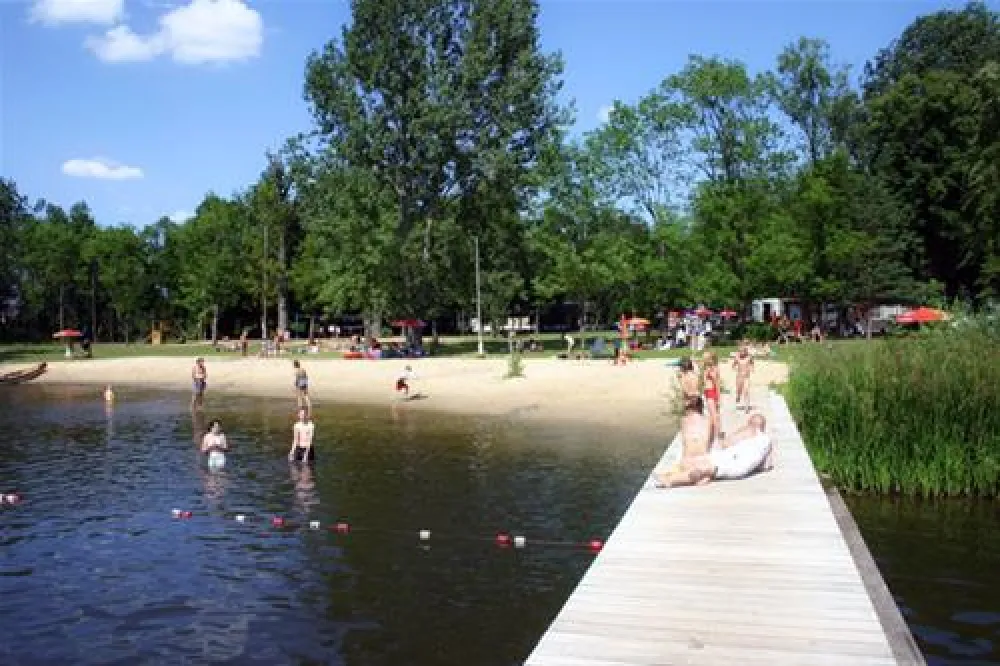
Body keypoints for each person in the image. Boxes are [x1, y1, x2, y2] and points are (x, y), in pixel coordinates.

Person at [654, 412, 772, 489]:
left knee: (702, 465)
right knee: (707, 468)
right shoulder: (766, 440)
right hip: (740, 468)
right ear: (763, 426)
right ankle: (702, 478)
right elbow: (766, 466)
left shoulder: (751, 430)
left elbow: (725, 443)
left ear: (751, 423)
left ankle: (671, 480)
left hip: (733, 461)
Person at [701, 352, 721, 447]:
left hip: (711, 392)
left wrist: (718, 397)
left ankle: (716, 438)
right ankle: (714, 436)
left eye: (706, 358)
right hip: (708, 392)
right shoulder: (707, 368)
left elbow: (717, 383)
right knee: (713, 415)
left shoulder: (713, 369)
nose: (704, 360)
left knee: (713, 416)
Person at [731, 345, 754, 410]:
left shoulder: (749, 357)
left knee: (746, 390)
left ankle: (746, 406)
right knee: (739, 390)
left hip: (746, 377)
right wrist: (735, 369)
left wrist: (752, 368)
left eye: (743, 351)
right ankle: (738, 396)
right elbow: (733, 365)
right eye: (740, 351)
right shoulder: (737, 358)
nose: (742, 352)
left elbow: (752, 363)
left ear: (746, 351)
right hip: (739, 377)